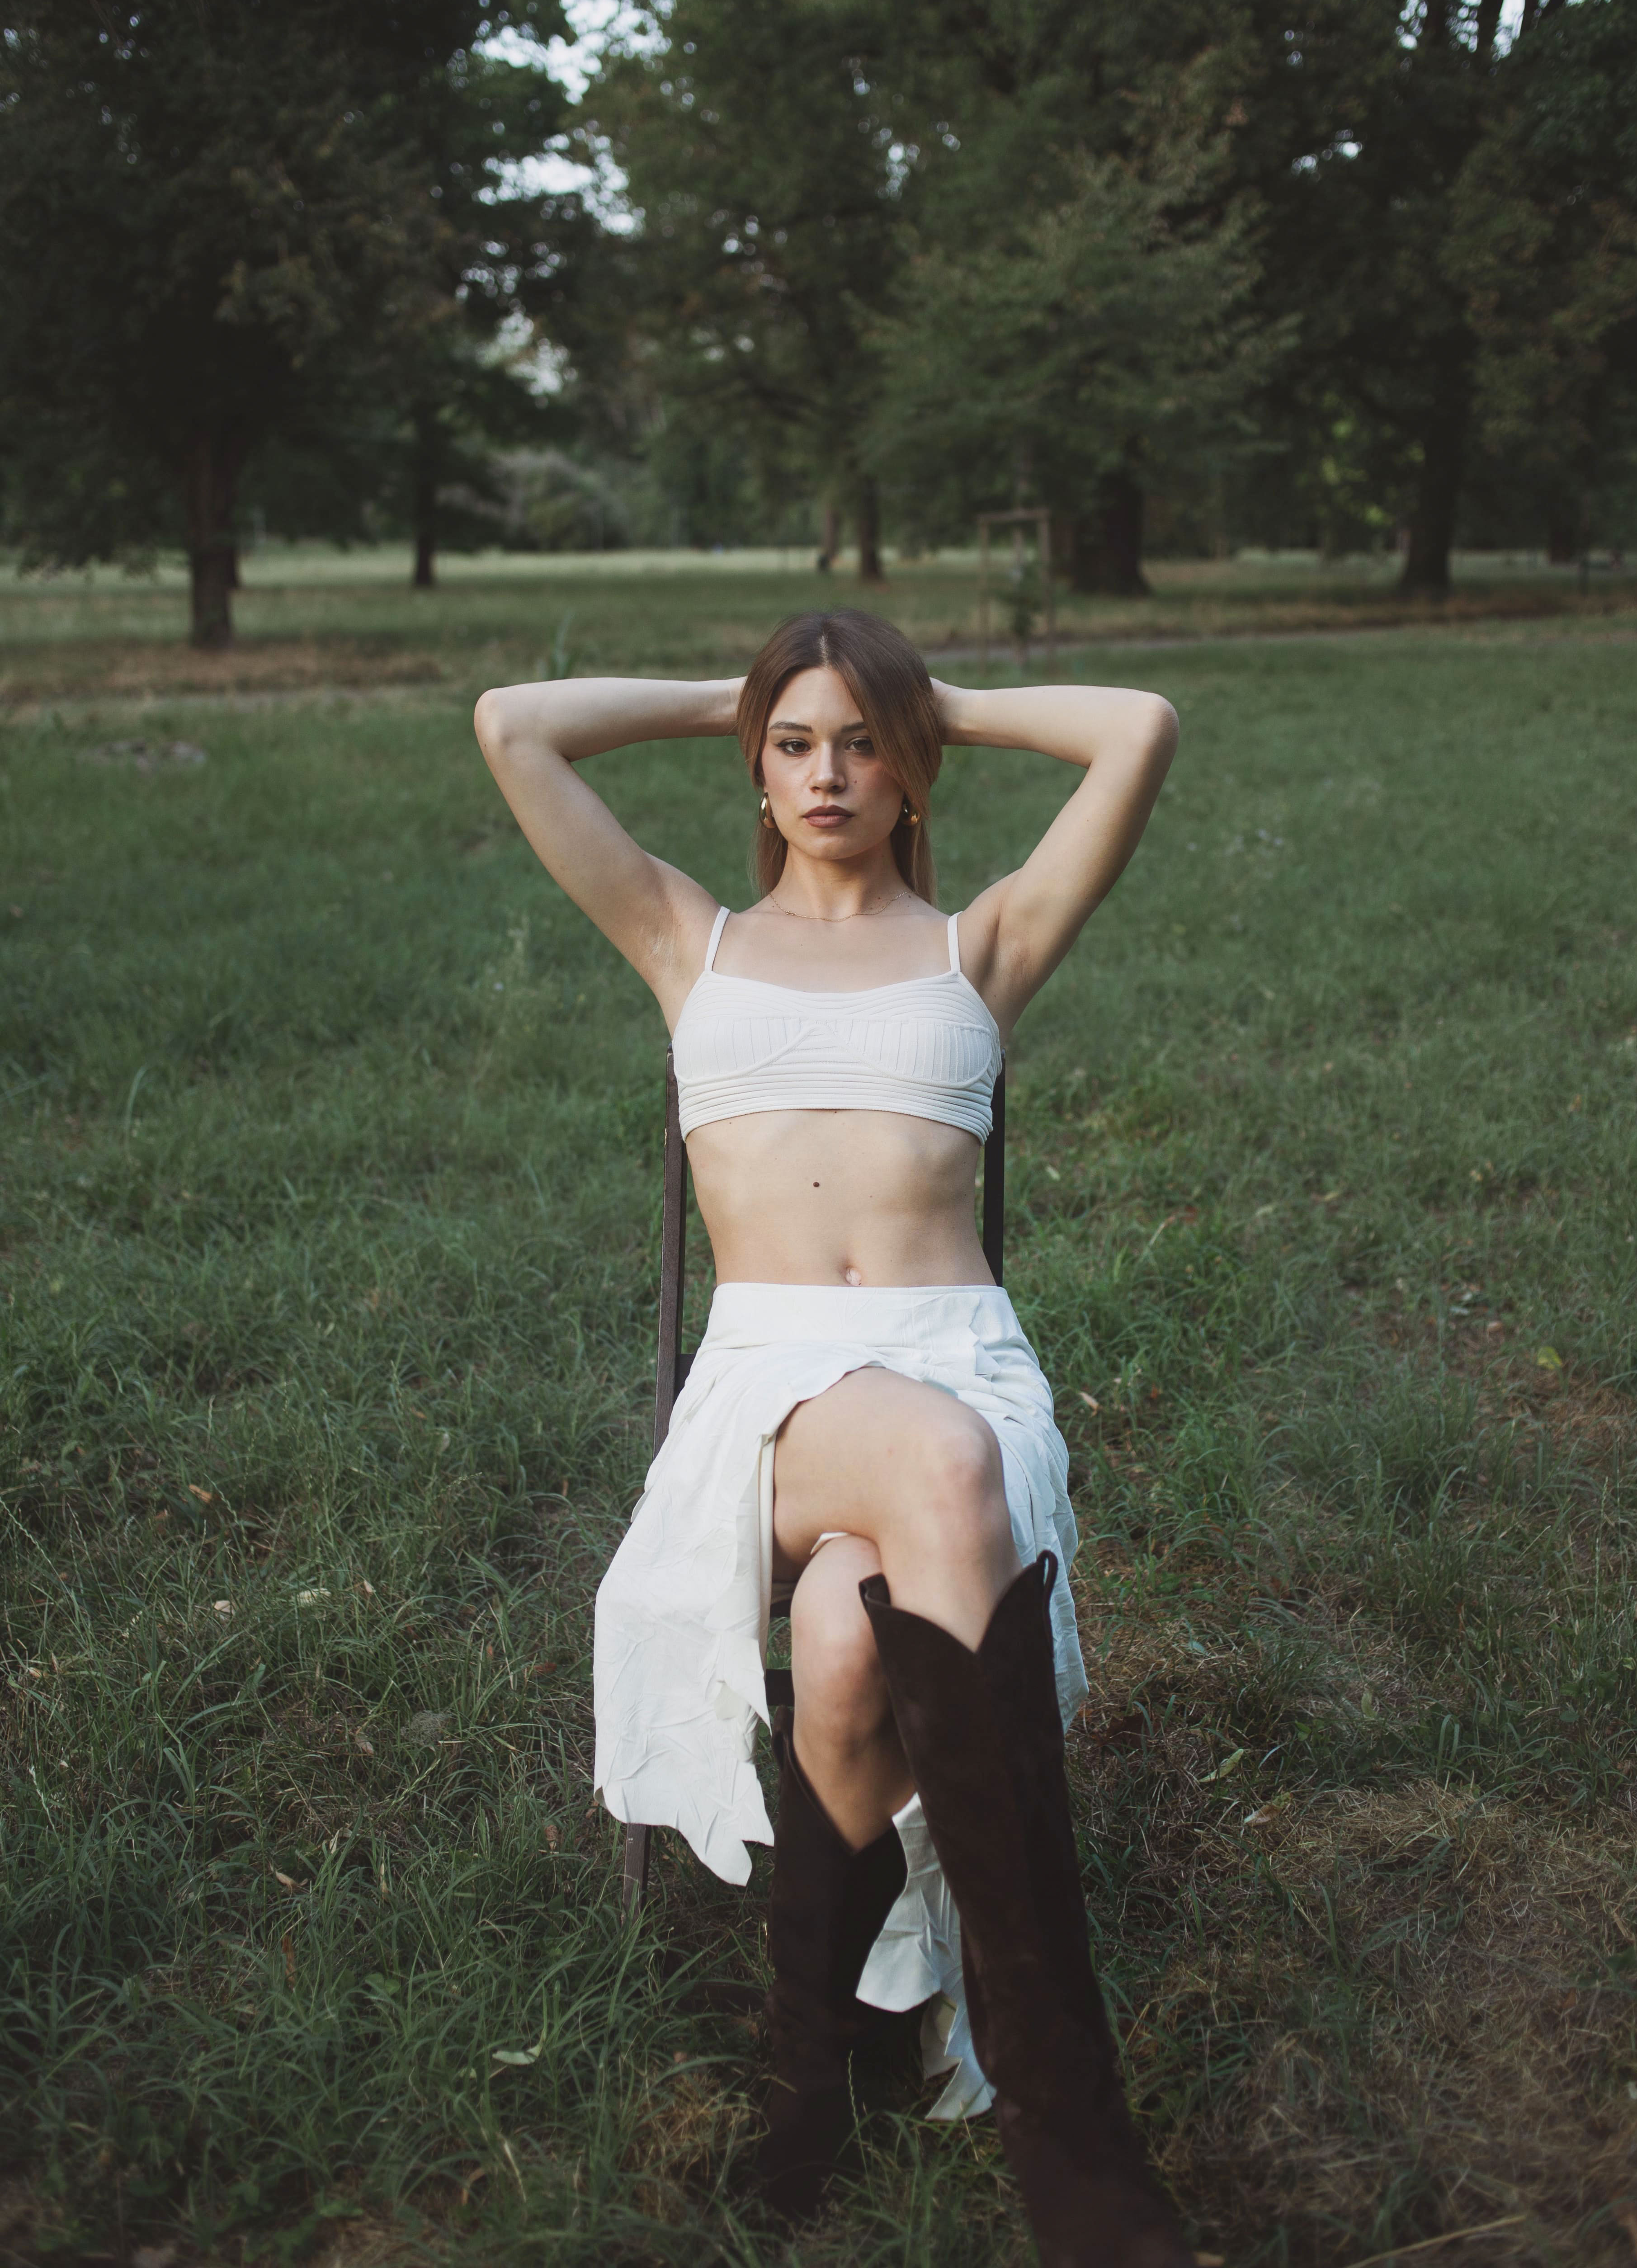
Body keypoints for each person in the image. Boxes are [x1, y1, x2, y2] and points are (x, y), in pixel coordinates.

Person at [475, 607, 1189, 2268]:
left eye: (864, 745)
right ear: (758, 761)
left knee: (848, 1629)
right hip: (771, 1399)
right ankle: (1069, 2121)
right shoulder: (687, 935)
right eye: (794, 745)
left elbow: (1140, 724)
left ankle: (817, 2078)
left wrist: (924, 698)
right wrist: (744, 691)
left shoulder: (982, 946)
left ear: (912, 766)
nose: (827, 773)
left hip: (962, 1365)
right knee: (930, 1468)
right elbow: (515, 722)